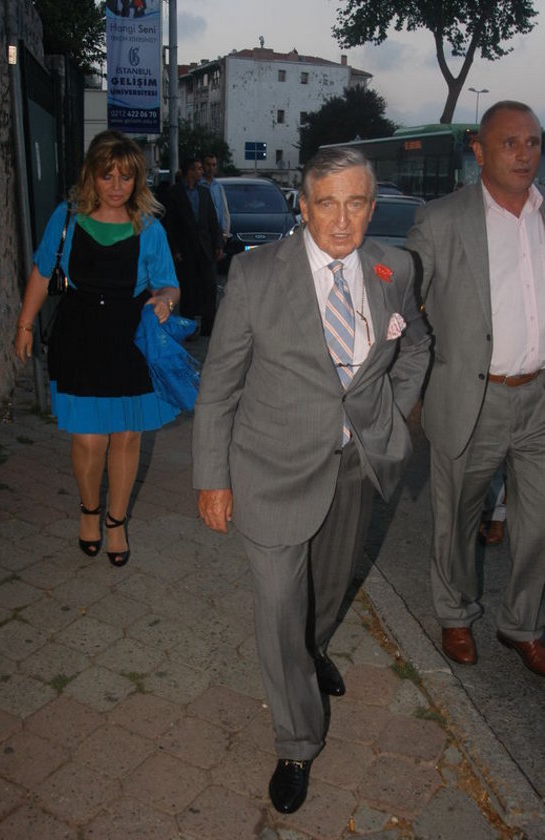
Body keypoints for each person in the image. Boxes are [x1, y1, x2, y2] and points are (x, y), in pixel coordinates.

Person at [192, 146, 430, 813]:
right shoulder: (254, 274)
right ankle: (297, 740)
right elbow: (219, 385)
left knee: (326, 591)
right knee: (277, 610)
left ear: (371, 207)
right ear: (303, 206)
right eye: (327, 203)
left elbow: (416, 347)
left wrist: (391, 414)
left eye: (356, 203)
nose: (342, 219)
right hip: (268, 472)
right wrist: (212, 477)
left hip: (352, 466)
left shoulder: (394, 268)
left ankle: (314, 645)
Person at [406, 101, 545, 677]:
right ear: (480, 151)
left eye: (533, 142)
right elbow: (405, 303)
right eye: (510, 143)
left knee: (538, 523)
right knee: (457, 520)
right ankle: (455, 613)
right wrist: (419, 377)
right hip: (472, 397)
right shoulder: (442, 219)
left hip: (539, 397)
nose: (524, 153)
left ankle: (523, 624)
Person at [14, 130, 180, 568]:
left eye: (126, 177)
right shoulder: (67, 217)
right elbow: (41, 272)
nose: (116, 186)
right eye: (108, 176)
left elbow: (169, 284)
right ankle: (89, 510)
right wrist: (24, 324)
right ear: (92, 175)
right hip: (80, 337)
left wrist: (165, 301)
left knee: (126, 436)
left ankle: (116, 521)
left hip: (131, 341)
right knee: (89, 439)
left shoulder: (149, 227)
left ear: (137, 180)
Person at [162, 157, 223, 336]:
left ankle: (208, 326)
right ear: (190, 171)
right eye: (198, 169)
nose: (201, 172)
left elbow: (212, 220)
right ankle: (188, 327)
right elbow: (170, 225)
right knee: (188, 290)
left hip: (205, 248)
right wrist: (175, 249)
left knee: (210, 287)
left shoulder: (204, 193)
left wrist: (218, 243)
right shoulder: (174, 194)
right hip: (186, 250)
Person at [200, 153, 231, 243]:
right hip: (202, 233)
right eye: (208, 165)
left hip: (217, 233)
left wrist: (225, 233)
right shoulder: (198, 185)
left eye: (214, 165)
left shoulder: (218, 187)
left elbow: (224, 211)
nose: (211, 168)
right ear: (202, 166)